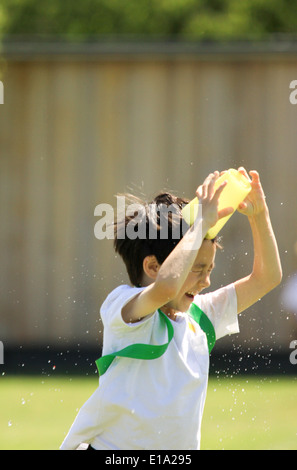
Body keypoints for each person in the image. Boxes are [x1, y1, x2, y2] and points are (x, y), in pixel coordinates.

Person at [60, 168, 282, 450]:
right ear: (153, 267)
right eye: (197, 268)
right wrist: (199, 225)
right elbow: (165, 288)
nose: (207, 281)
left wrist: (258, 214)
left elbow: (267, 278)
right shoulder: (124, 307)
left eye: (210, 268)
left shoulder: (199, 318)